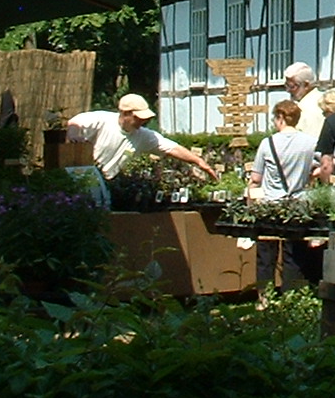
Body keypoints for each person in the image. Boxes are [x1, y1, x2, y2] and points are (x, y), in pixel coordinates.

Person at [251, 99, 321, 293]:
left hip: (270, 205)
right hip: (297, 204)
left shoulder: (267, 143)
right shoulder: (310, 143)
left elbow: (256, 177)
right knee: (294, 255)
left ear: (281, 118)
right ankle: (292, 297)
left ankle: (264, 298)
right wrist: (310, 175)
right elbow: (322, 166)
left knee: (266, 255)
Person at [66, 94, 219, 181]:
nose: (143, 121)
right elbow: (75, 122)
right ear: (125, 113)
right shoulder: (102, 120)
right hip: (79, 178)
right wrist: (74, 136)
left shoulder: (143, 135)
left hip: (108, 182)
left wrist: (198, 161)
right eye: (138, 117)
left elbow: (172, 147)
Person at [283, 61, 325, 141]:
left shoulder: (307, 109)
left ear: (306, 85)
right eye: (286, 85)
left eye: (292, 86)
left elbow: (309, 142)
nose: (288, 90)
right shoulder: (322, 97)